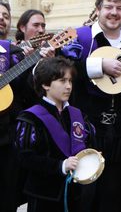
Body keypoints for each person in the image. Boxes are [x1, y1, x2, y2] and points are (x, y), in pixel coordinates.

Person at [61, 0, 121, 212]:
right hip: (86, 126)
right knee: (84, 192)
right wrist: (100, 65)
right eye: (108, 7)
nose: (114, 12)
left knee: (117, 191)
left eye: (119, 7)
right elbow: (65, 69)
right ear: (98, 9)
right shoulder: (80, 37)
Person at [15, 56, 95, 212]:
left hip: (76, 194)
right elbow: (25, 158)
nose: (68, 86)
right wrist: (60, 165)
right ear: (45, 84)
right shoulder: (30, 117)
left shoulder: (77, 114)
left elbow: (89, 144)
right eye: (62, 81)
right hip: (44, 196)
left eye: (70, 81)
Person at [0, 0, 54, 212]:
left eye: (5, 15)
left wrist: (36, 63)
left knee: (6, 195)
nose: (1, 19)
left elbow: (25, 91)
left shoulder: (14, 52)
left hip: (6, 135)